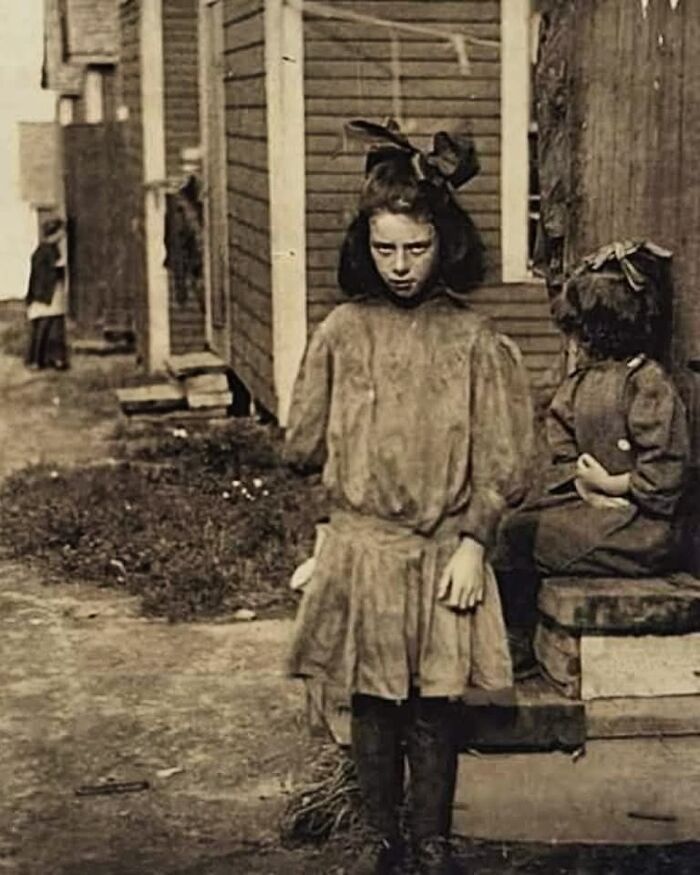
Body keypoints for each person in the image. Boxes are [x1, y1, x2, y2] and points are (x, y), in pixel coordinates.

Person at [283, 121, 534, 875]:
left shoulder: (474, 339)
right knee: (371, 699)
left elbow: (502, 456)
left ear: (445, 243)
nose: (399, 266)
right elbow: (301, 443)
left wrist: (472, 539)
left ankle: (432, 836)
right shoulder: (339, 330)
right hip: (363, 549)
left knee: (434, 702)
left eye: (416, 248)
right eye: (385, 248)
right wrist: (330, 534)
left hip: (440, 554)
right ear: (364, 244)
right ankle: (378, 834)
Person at [494, 241, 690, 674]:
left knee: (519, 538)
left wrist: (611, 484)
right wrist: (580, 484)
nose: (579, 341)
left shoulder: (648, 383)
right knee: (506, 521)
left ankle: (518, 644)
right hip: (593, 507)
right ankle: (508, 636)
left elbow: (666, 473)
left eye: (585, 330)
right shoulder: (583, 380)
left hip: (643, 528)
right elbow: (560, 444)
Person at [25, 217, 69, 370]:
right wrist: (59, 267)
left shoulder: (49, 249)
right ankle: (37, 360)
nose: (63, 234)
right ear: (55, 233)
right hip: (45, 294)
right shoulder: (45, 251)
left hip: (50, 293)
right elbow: (45, 274)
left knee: (54, 327)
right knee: (44, 327)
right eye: (61, 231)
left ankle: (53, 359)